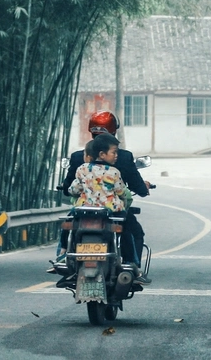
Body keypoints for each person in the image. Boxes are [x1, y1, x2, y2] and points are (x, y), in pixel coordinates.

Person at [61, 111, 152, 276]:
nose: (115, 155)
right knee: (132, 231)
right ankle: (132, 266)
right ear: (114, 130)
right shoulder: (121, 161)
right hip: (111, 211)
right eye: (113, 152)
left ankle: (62, 256)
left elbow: (70, 187)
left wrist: (73, 191)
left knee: (68, 225)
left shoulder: (79, 160)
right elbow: (126, 190)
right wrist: (140, 190)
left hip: (84, 210)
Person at [68, 133, 130, 212]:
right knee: (123, 215)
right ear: (102, 154)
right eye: (114, 152)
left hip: (85, 208)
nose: (116, 155)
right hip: (110, 209)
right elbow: (121, 192)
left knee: (72, 216)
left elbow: (74, 189)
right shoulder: (114, 172)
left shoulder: (83, 169)